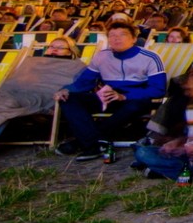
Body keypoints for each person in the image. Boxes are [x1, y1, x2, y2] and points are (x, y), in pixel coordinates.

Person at [0, 37, 85, 165]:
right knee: (2, 106)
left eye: (60, 48)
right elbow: (14, 81)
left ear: (71, 51)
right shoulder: (32, 62)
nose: (54, 49)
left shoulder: (77, 66)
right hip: (15, 94)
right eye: (51, 46)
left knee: (3, 103)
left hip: (44, 96)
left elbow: (78, 86)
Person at [55, 22, 166, 161]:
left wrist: (124, 96)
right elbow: (85, 81)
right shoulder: (102, 56)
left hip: (136, 98)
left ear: (133, 38)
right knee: (69, 99)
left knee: (134, 105)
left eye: (122, 35)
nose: (116, 39)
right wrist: (66, 90)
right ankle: (94, 142)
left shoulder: (150, 57)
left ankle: (85, 143)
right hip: (107, 97)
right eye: (112, 35)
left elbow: (158, 90)